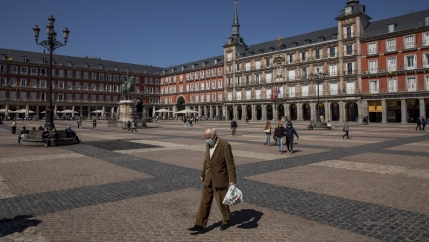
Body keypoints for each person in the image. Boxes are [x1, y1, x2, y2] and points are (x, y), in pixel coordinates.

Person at [187, 128, 237, 234]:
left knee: (222, 202)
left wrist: (232, 181)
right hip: (208, 178)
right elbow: (206, 160)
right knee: (204, 202)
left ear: (214, 136)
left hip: (220, 179)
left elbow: (230, 164)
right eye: (205, 139)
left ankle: (226, 220)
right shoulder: (208, 144)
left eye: (208, 138)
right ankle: (199, 224)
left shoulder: (225, 145)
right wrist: (202, 173)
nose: (206, 141)